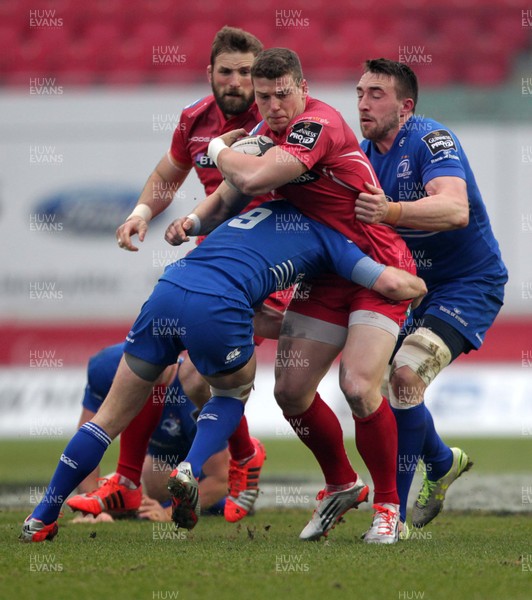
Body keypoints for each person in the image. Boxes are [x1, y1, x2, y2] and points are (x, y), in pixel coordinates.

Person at [20, 198, 426, 542]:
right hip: (217, 305)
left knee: (106, 418)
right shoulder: (330, 234)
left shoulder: (256, 210)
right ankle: (190, 469)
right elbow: (389, 285)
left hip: (168, 289)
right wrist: (419, 287)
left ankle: (41, 516)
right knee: (230, 392)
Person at [167, 48, 420, 544]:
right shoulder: (263, 133)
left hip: (376, 265)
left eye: (282, 94)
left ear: (302, 88)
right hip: (326, 272)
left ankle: (389, 506)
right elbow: (233, 195)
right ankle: (341, 484)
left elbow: (255, 177)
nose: (274, 105)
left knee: (358, 384)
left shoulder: (317, 123)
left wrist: (218, 149)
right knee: (290, 392)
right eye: (263, 98)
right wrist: (193, 221)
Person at [98, 26, 274, 524]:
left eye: (247, 72)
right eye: (228, 72)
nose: (237, 81)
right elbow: (167, 176)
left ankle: (358, 486)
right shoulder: (194, 119)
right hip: (215, 264)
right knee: (189, 375)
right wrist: (139, 213)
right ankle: (236, 457)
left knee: (299, 389)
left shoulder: (279, 118)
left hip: (274, 262)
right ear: (210, 74)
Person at [354, 58, 508, 532]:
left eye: (376, 93)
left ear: (406, 106)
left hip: (468, 284)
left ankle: (393, 515)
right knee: (381, 385)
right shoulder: (362, 153)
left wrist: (391, 211)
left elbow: (455, 208)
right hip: (415, 289)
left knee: (403, 374)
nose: (363, 102)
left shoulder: (430, 139)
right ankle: (441, 463)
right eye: (360, 92)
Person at [67, 346, 228, 520]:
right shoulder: (105, 369)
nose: (145, 377)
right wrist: (91, 511)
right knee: (106, 499)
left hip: (196, 472)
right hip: (156, 464)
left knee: (168, 476)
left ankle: (222, 501)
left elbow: (221, 478)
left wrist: (169, 513)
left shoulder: (191, 397)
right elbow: (87, 440)